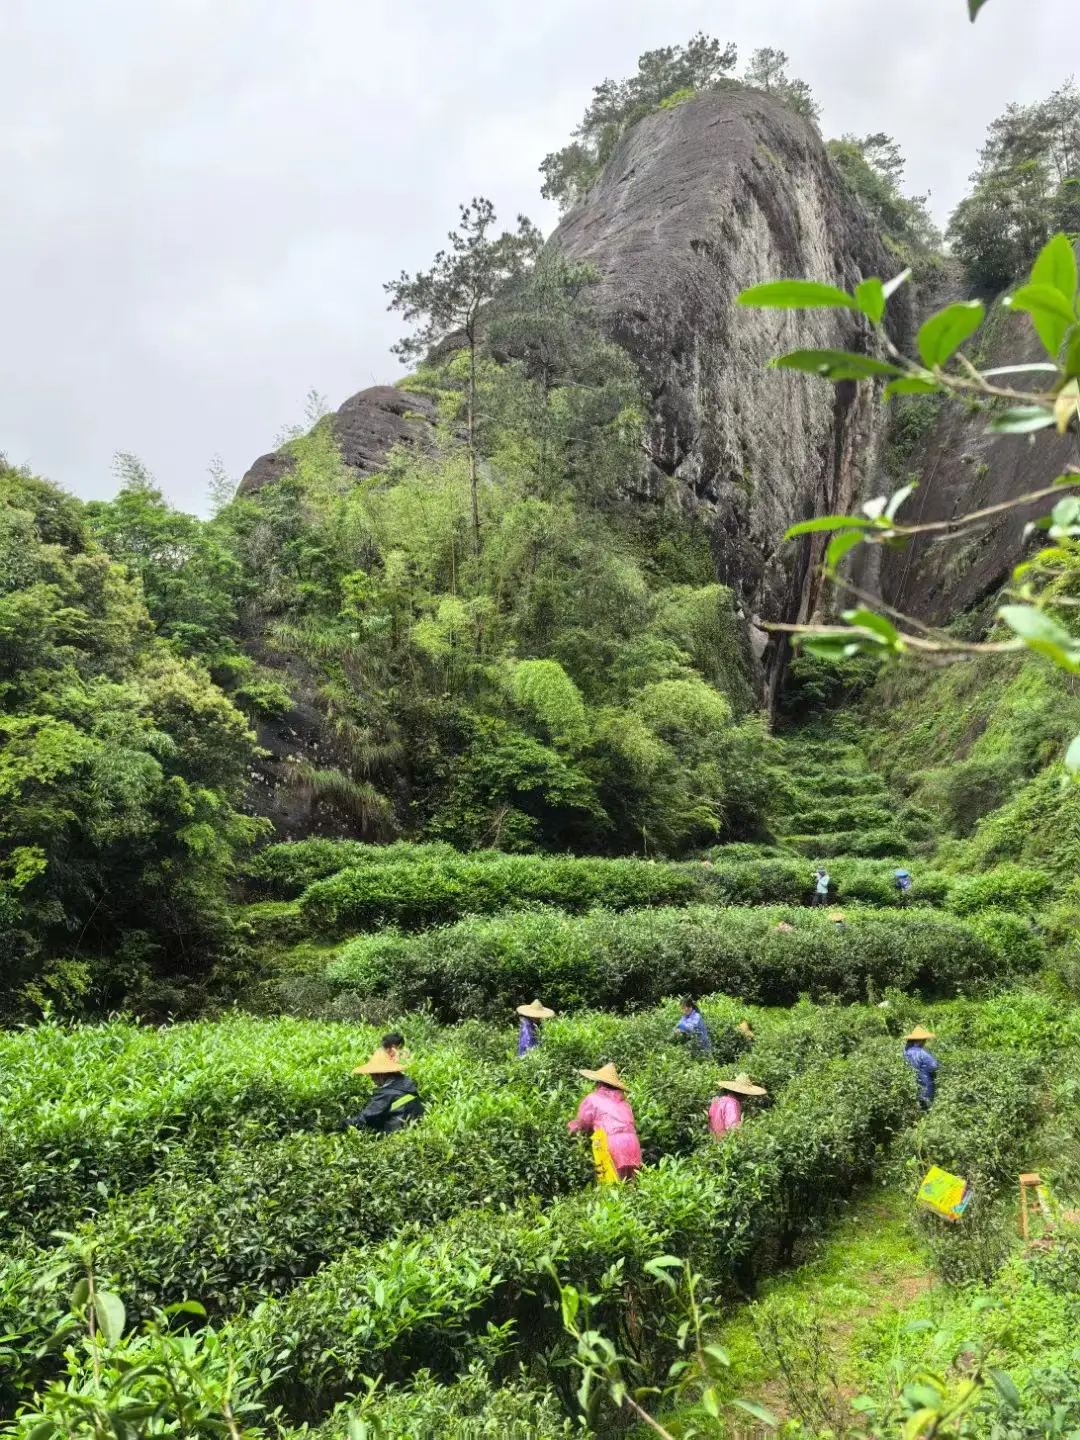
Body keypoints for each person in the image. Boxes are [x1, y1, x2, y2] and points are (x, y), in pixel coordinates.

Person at [569, 1064, 642, 1183]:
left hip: (611, 1143)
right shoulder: (624, 1102)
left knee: (612, 1186)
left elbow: (583, 1123)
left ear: (599, 1084)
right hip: (632, 1143)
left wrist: (571, 1128)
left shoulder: (592, 1098)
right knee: (630, 1185)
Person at [343, 1048, 424, 1134]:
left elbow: (367, 1116)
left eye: (372, 1074)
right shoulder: (407, 1086)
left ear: (381, 1074)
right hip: (415, 1133)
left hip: (396, 1137)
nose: (371, 1078)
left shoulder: (388, 1093)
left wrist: (345, 1123)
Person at [708, 1073, 768, 1140]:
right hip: (725, 1143)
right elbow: (733, 1129)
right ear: (741, 1094)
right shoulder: (732, 1103)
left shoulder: (717, 1100)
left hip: (712, 1140)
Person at [903, 1026, 940, 1109]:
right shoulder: (921, 1053)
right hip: (925, 1085)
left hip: (911, 1087)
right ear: (919, 1040)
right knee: (926, 1108)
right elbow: (935, 1065)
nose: (924, 1042)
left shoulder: (906, 1051)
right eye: (924, 1040)